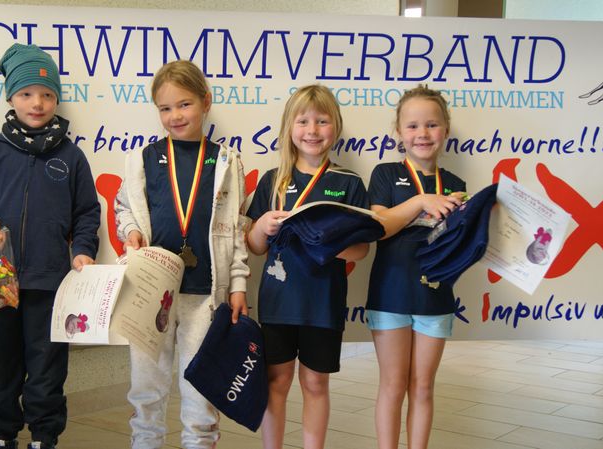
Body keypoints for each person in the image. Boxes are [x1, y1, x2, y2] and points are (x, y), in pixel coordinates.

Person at [0, 43, 101, 449]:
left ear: (56, 99)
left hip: (50, 280)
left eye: (47, 94)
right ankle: (1, 436)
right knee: (1, 364)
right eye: (26, 94)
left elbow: (87, 213)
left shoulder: (71, 157)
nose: (37, 103)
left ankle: (43, 437)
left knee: (47, 366)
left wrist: (83, 249)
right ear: (11, 98)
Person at [114, 59, 249, 449]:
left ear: (206, 102)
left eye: (184, 104)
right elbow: (125, 208)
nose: (175, 116)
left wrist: (238, 284)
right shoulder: (142, 159)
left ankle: (200, 441)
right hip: (150, 291)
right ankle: (145, 442)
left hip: (204, 293)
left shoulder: (226, 161)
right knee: (146, 386)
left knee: (201, 389)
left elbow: (237, 229)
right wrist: (131, 231)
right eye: (165, 108)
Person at [246, 84, 370, 449]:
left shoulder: (349, 183)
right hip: (278, 304)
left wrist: (330, 241)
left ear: (336, 126)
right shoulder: (273, 181)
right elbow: (254, 247)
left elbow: (361, 250)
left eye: (322, 121)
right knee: (276, 381)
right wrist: (261, 225)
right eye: (302, 121)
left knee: (316, 383)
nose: (312, 130)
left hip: (323, 304)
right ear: (289, 127)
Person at [365, 85, 467, 449]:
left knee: (423, 386)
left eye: (431, 125)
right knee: (393, 385)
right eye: (412, 126)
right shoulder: (384, 174)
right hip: (390, 294)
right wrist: (422, 201)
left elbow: (459, 247)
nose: (422, 133)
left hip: (435, 297)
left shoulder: (455, 185)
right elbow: (380, 226)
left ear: (445, 130)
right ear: (398, 132)